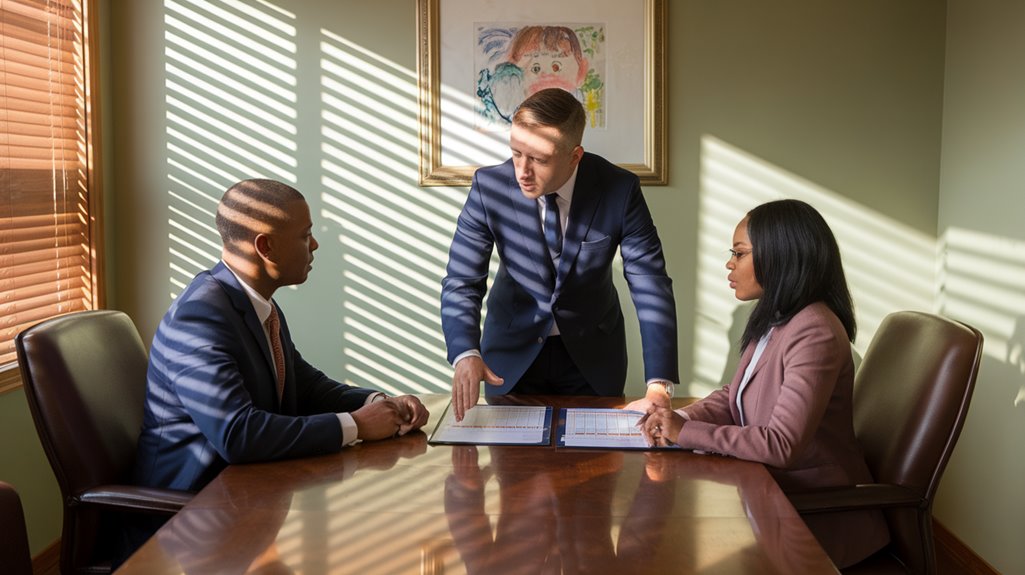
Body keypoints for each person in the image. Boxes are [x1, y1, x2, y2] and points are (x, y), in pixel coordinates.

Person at [134, 179, 429, 495]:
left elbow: (305, 387)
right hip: (188, 514)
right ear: (265, 247)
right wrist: (356, 425)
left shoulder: (257, 305)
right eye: (305, 236)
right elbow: (238, 434)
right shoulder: (199, 317)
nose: (314, 245)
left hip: (247, 494)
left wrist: (380, 404)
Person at [637, 199, 889, 568]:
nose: (729, 263)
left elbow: (782, 444)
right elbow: (735, 397)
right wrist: (678, 417)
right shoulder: (777, 318)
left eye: (739, 253)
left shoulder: (814, 330)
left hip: (813, 516)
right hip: (769, 493)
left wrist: (684, 432)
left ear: (781, 256)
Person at [441, 87, 679, 421]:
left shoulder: (619, 190)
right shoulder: (489, 188)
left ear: (574, 156)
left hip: (593, 360)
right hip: (510, 358)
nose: (522, 170)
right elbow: (463, 280)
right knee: (515, 469)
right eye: (516, 153)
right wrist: (466, 352)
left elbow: (650, 282)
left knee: (596, 468)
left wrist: (659, 382)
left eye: (538, 159)